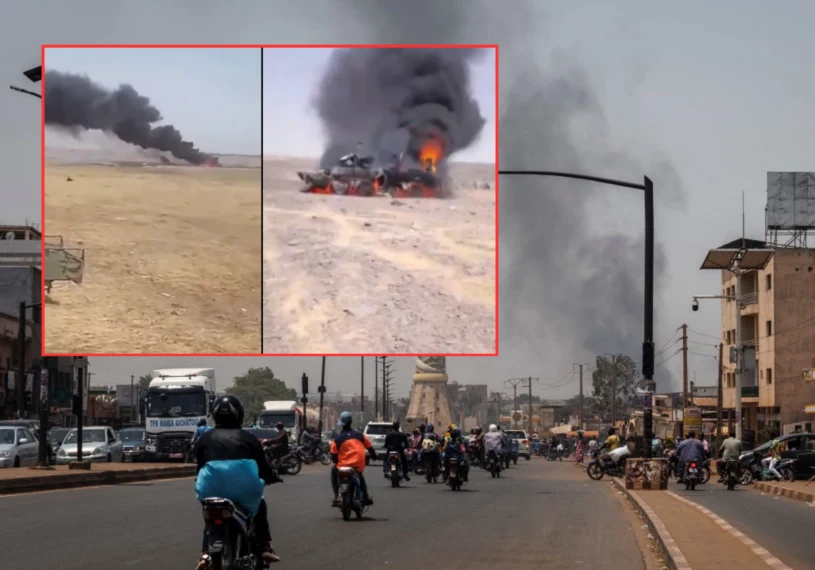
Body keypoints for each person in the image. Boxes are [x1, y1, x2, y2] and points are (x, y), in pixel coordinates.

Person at [193, 395, 281, 569]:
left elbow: (200, 466)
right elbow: (263, 469)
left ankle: (205, 553)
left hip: (209, 488)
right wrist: (272, 476)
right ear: (239, 414)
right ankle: (265, 546)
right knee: (260, 505)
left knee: (211, 516)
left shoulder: (204, 439)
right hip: (245, 491)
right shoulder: (249, 438)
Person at [330, 411, 377, 507]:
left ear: (341, 424)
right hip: (357, 465)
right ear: (351, 422)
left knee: (333, 471)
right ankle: (366, 497)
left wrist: (337, 461)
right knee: (359, 475)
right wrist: (374, 456)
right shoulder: (360, 435)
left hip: (343, 466)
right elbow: (370, 448)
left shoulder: (337, 439)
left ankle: (336, 496)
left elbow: (334, 456)